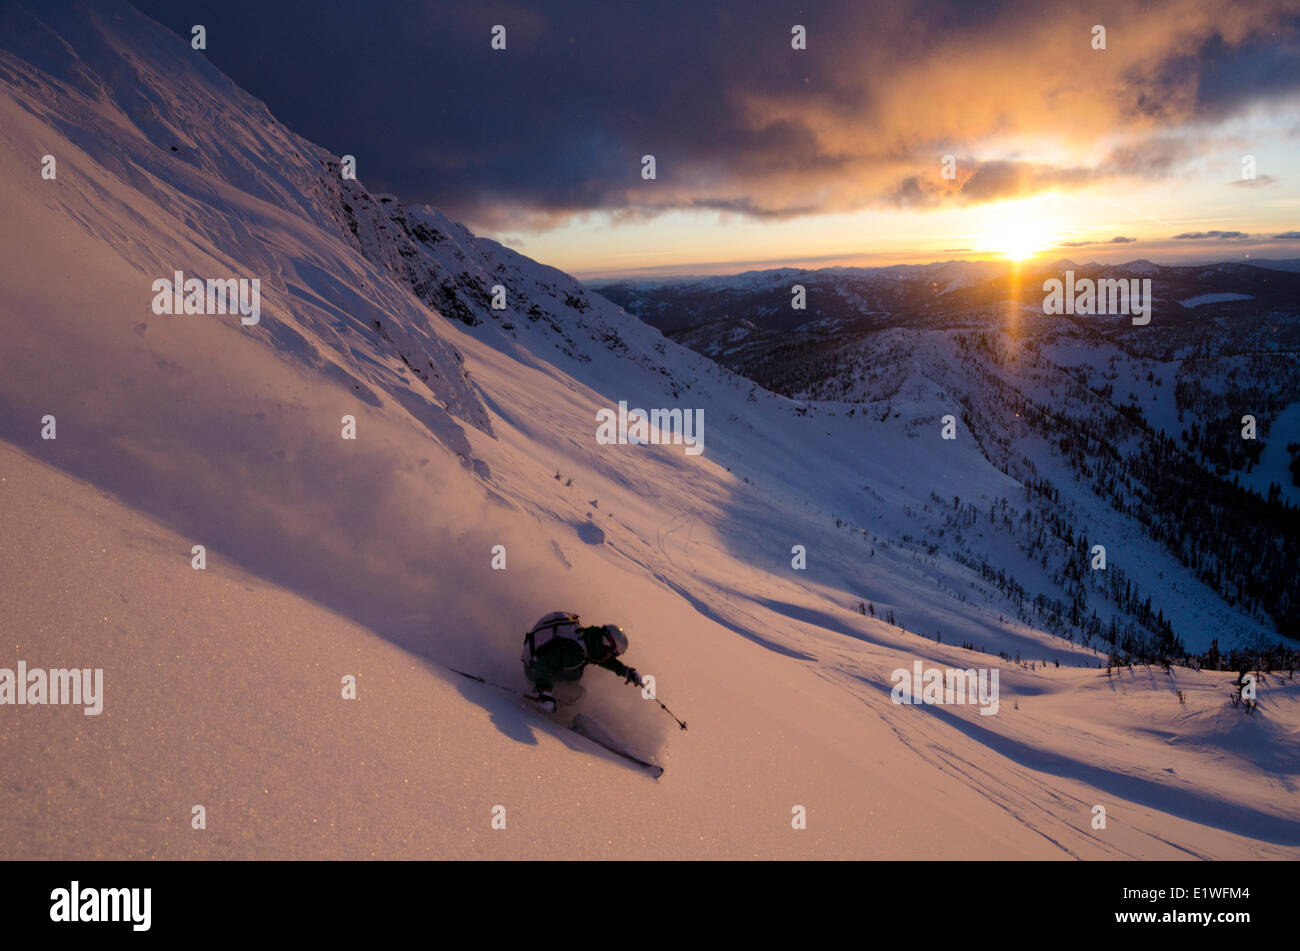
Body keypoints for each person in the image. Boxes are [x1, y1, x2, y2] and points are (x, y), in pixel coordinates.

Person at [521, 612, 642, 712]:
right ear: (606, 645)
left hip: (545, 674)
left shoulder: (590, 642)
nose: (612, 657)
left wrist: (626, 671)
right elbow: (543, 664)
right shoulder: (574, 650)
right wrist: (545, 692)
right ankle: (558, 722)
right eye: (614, 653)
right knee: (579, 694)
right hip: (535, 674)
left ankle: (557, 704)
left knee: (584, 681)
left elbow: (603, 660)